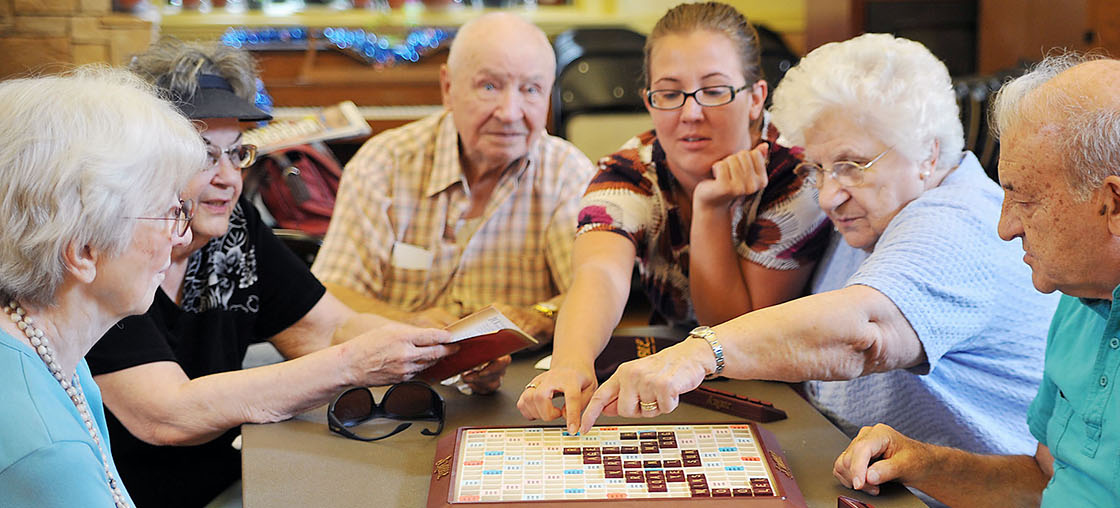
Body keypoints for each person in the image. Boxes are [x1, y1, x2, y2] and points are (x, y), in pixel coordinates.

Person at [571, 32, 1056, 473]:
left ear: (928, 155)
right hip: (854, 468)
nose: (827, 196)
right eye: (820, 168)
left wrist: (698, 355)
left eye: (851, 165)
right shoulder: (877, 210)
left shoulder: (956, 219)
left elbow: (862, 333)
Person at [832, 55, 1120, 506]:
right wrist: (921, 463)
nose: (1006, 227)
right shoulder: (1093, 279)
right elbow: (1047, 482)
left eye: (1026, 201)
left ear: (1116, 205)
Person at [84, 39, 489, 508]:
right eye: (203, 155)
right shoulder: (111, 255)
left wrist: (447, 348)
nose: (228, 178)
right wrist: (352, 364)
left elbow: (329, 328)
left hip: (238, 482)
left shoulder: (234, 229)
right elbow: (166, 415)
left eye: (236, 154)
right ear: (143, 160)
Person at [517, 1, 831, 434]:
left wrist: (711, 209)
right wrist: (570, 365)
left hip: (786, 392)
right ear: (649, 101)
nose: (690, 113)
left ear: (756, 97)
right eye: (669, 93)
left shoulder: (797, 176)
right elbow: (599, 273)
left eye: (715, 90)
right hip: (682, 375)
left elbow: (736, 336)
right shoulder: (627, 171)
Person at [311, 12, 597, 341]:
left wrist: (539, 315)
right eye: (489, 87)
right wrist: (407, 323)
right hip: (395, 373)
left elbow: (593, 291)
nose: (509, 112)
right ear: (448, 88)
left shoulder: (566, 172)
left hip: (520, 380)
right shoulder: (384, 164)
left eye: (531, 90)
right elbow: (332, 294)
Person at [0, 67, 205, 507]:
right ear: (84, 251)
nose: (183, 236)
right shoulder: (47, 452)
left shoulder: (57, 359)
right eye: (169, 213)